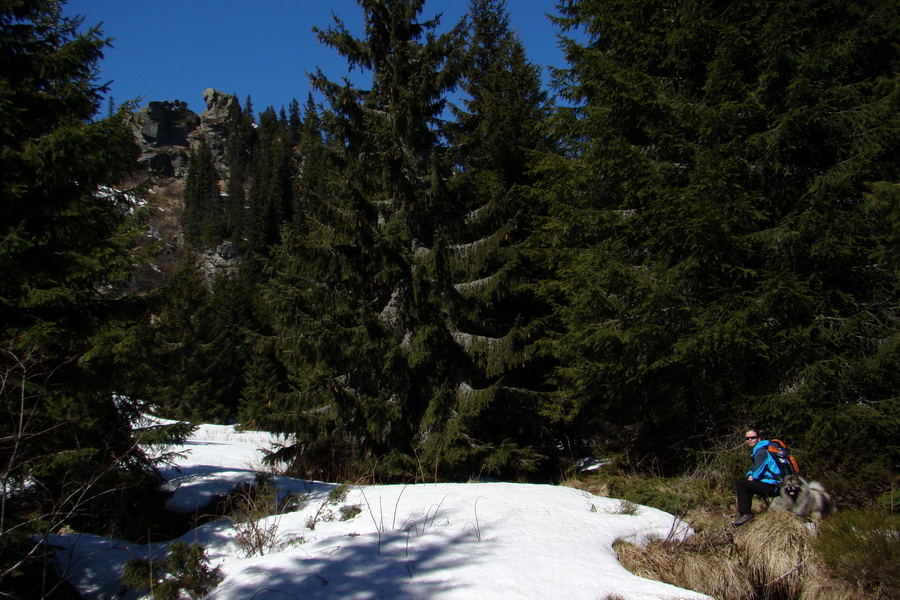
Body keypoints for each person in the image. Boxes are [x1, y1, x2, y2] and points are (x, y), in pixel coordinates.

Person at [732, 429, 781, 526]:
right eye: (747, 438)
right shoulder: (760, 450)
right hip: (773, 484)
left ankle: (746, 514)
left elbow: (756, 473)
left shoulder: (762, 452)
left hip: (775, 486)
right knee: (746, 484)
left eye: (753, 438)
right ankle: (743, 512)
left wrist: (752, 476)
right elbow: (752, 469)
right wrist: (750, 475)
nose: (750, 440)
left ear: (759, 438)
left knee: (742, 485)